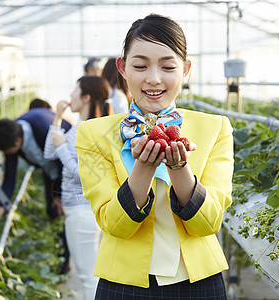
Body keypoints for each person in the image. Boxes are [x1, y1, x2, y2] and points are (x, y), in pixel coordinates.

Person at [76, 14, 234, 299]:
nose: (153, 79)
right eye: (140, 66)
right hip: (124, 285)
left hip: (199, 283)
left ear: (185, 70)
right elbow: (114, 225)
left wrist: (179, 168)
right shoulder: (92, 134)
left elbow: (209, 222)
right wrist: (143, 169)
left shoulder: (215, 128)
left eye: (168, 66)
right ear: (123, 68)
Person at [44, 76, 111, 300]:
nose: (70, 95)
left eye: (75, 90)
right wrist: (56, 119)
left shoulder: (90, 131)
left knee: (88, 276)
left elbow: (85, 174)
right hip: (78, 209)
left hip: (84, 210)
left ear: (86, 97)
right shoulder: (77, 127)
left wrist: (62, 147)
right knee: (88, 273)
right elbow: (49, 153)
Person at [0, 102, 72, 273]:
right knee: (53, 212)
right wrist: (0, 206)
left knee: (66, 212)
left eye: (6, 151)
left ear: (18, 141)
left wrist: (60, 196)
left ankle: (65, 263)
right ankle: (61, 259)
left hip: (70, 164)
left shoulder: (42, 130)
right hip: (51, 170)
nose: (7, 154)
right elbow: (9, 176)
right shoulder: (12, 135)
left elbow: (64, 161)